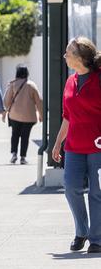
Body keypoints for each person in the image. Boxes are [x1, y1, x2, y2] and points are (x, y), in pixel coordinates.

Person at [51, 36, 101, 254]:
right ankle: (82, 231)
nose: (64, 56)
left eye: (68, 52)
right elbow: (67, 116)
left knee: (97, 192)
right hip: (73, 146)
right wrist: (57, 143)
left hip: (98, 147)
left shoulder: (99, 79)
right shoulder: (70, 82)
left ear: (80, 58)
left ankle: (97, 238)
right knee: (71, 187)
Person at [2, 64, 43, 165]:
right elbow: (39, 101)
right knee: (25, 136)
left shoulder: (13, 84)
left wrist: (5, 110)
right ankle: (23, 157)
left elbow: (6, 100)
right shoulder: (31, 85)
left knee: (15, 134)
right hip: (29, 117)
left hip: (14, 115)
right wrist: (41, 114)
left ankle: (14, 154)